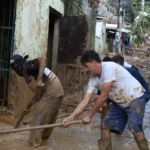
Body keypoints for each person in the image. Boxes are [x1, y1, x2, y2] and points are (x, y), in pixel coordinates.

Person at [62, 50, 149, 150]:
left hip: (136, 98)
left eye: (86, 66)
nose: (84, 70)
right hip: (119, 102)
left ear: (93, 62)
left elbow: (103, 96)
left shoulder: (109, 67)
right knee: (105, 126)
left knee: (135, 130)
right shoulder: (93, 79)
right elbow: (85, 100)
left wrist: (89, 115)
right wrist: (70, 118)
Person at [10, 54, 64, 147]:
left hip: (52, 89)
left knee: (37, 119)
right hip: (57, 89)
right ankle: (44, 142)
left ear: (18, 66)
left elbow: (43, 58)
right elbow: (38, 95)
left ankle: (35, 145)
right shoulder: (29, 73)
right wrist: (28, 107)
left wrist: (39, 79)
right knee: (48, 118)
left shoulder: (27, 66)